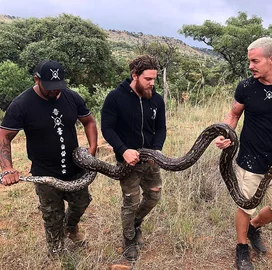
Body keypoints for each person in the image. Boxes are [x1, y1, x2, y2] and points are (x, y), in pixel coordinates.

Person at [215, 37, 272, 270]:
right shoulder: (246, 87)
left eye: (255, 61)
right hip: (248, 159)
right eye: (250, 61)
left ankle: (254, 227)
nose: (251, 66)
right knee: (245, 206)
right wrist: (227, 133)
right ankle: (242, 247)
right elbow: (234, 114)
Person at [0, 60, 98, 257]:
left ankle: (70, 228)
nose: (55, 91)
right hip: (45, 171)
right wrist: (7, 168)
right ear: (37, 79)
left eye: (58, 86)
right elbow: (4, 136)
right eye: (50, 87)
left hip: (74, 167)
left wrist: (93, 148)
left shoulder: (71, 97)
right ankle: (56, 252)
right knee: (53, 215)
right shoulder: (22, 104)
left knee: (82, 202)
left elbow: (89, 121)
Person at [101, 55, 166, 261]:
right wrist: (123, 149)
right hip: (127, 161)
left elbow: (161, 128)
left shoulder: (156, 99)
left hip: (150, 159)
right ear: (135, 75)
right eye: (148, 79)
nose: (152, 83)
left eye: (154, 79)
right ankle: (128, 239)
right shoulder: (115, 97)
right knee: (131, 201)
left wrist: (156, 149)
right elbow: (107, 128)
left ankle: (135, 223)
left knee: (154, 196)